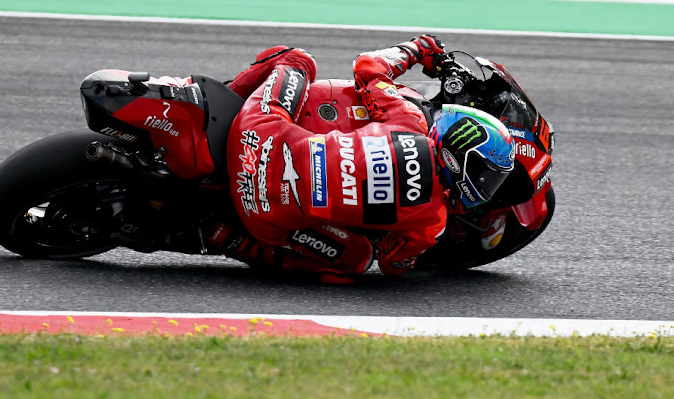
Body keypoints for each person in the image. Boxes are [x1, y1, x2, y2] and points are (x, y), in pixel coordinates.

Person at [205, 34, 516, 282]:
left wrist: (417, 49)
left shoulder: (409, 120)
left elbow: (368, 67)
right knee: (358, 259)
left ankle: (225, 100)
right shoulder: (433, 221)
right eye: (486, 176)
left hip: (254, 136)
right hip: (264, 216)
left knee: (298, 60)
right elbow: (392, 263)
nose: (485, 186)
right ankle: (230, 240)